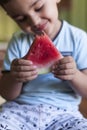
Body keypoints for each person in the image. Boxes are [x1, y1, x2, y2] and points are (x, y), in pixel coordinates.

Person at [0, 0, 87, 129]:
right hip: (18, 111)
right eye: (21, 18)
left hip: (64, 114)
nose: (34, 21)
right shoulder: (17, 41)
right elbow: (7, 94)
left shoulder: (79, 38)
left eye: (38, 8)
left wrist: (74, 74)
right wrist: (14, 77)